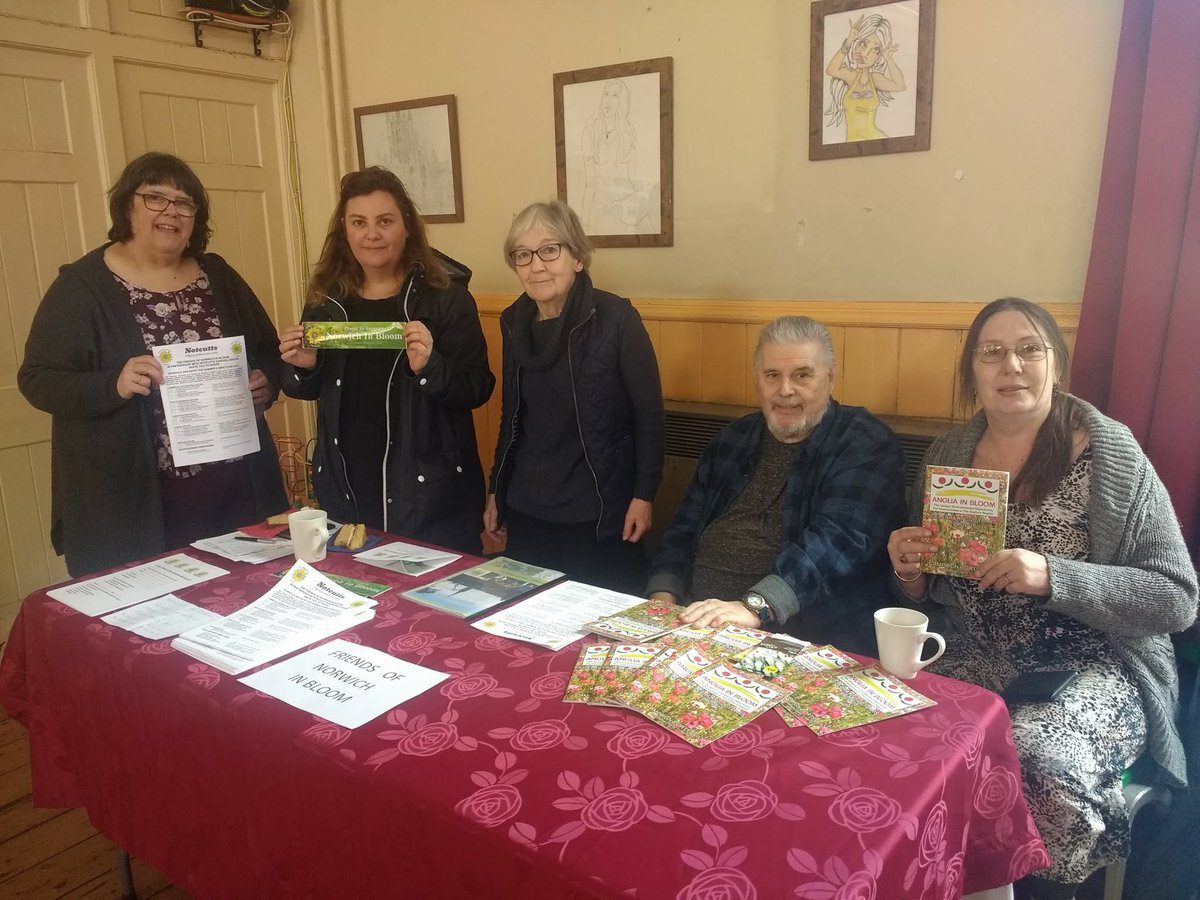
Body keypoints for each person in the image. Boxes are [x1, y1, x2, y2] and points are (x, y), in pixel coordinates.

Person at [887, 298, 1198, 900]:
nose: (1012, 365)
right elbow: (929, 592)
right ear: (972, 371)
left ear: (1056, 364)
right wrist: (908, 571)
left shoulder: (1110, 453)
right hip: (975, 650)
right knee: (901, 732)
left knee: (1032, 757)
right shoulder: (948, 455)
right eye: (992, 352)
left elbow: (1177, 597)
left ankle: (1041, 892)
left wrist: (1057, 577)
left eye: (1030, 349)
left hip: (1097, 664)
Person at [18, 151, 288, 577]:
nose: (171, 212)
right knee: (153, 611)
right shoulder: (83, 287)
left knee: (250, 596)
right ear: (127, 206)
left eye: (184, 203)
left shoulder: (218, 275)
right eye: (155, 198)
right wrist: (114, 384)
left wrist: (266, 381)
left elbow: (269, 351)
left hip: (238, 491)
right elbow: (38, 379)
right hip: (134, 503)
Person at [647, 315, 906, 652]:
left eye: (802, 375)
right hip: (694, 623)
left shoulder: (865, 442)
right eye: (772, 375)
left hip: (804, 639)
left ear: (830, 378)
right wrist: (663, 596)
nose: (785, 390)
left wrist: (756, 606)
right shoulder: (732, 439)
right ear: (758, 380)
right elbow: (683, 530)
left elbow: (838, 541)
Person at [279, 168, 493, 555]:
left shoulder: (445, 296)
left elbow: (478, 387)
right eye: (358, 222)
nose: (372, 235)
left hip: (429, 501)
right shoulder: (326, 299)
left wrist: (430, 367)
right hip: (347, 496)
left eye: (385, 221)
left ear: (406, 226)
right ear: (344, 231)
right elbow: (304, 388)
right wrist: (305, 366)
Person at [484, 200, 663, 595]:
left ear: (578, 257)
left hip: (598, 510)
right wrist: (497, 488)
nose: (536, 265)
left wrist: (643, 494)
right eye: (523, 255)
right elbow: (511, 416)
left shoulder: (616, 318)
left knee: (599, 621)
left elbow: (648, 415)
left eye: (550, 250)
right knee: (527, 616)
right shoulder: (513, 322)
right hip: (528, 508)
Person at [824, 13, 906, 141]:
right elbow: (831, 70)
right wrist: (849, 41)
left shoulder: (875, 79)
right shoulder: (851, 76)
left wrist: (889, 59)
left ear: (879, 56)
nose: (865, 53)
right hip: (851, 144)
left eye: (875, 49)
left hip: (875, 141)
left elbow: (900, 86)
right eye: (863, 44)